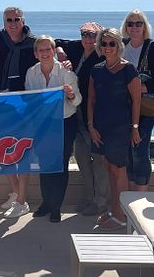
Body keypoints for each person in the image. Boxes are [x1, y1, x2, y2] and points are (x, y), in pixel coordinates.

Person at [0, 6, 38, 217]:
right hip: (3, 100)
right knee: (2, 149)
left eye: (16, 20)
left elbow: (51, 48)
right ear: (3, 22)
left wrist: (60, 53)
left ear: (23, 21)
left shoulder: (33, 42)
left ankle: (22, 202)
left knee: (22, 151)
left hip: (25, 102)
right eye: (8, 20)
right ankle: (16, 192)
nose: (13, 24)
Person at [87, 28, 141, 228]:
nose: (107, 47)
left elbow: (137, 101)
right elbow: (91, 101)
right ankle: (114, 210)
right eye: (104, 43)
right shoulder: (97, 70)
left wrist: (135, 127)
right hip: (101, 126)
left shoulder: (129, 70)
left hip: (121, 127)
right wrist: (91, 126)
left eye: (112, 43)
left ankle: (122, 216)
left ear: (119, 45)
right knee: (108, 167)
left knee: (119, 170)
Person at [54, 22, 109, 216]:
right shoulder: (76, 48)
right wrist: (60, 53)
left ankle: (101, 201)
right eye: (85, 34)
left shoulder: (102, 56)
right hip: (73, 113)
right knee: (82, 158)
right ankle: (89, 197)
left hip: (93, 114)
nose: (88, 39)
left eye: (93, 35)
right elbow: (55, 41)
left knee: (99, 160)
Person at [25, 36, 81, 223]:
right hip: (43, 125)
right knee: (45, 165)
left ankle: (56, 205)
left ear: (54, 50)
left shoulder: (66, 72)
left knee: (60, 165)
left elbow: (78, 100)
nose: (45, 53)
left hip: (64, 122)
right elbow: (30, 100)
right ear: (35, 54)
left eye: (48, 49)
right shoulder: (31, 73)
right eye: (41, 50)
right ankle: (47, 202)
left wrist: (71, 94)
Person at [120, 10, 154, 191]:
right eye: (130, 24)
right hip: (124, 107)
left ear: (145, 26)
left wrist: (143, 88)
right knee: (127, 151)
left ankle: (140, 194)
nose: (134, 27)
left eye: (138, 23)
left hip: (145, 107)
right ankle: (131, 194)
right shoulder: (122, 45)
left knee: (139, 149)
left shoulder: (153, 46)